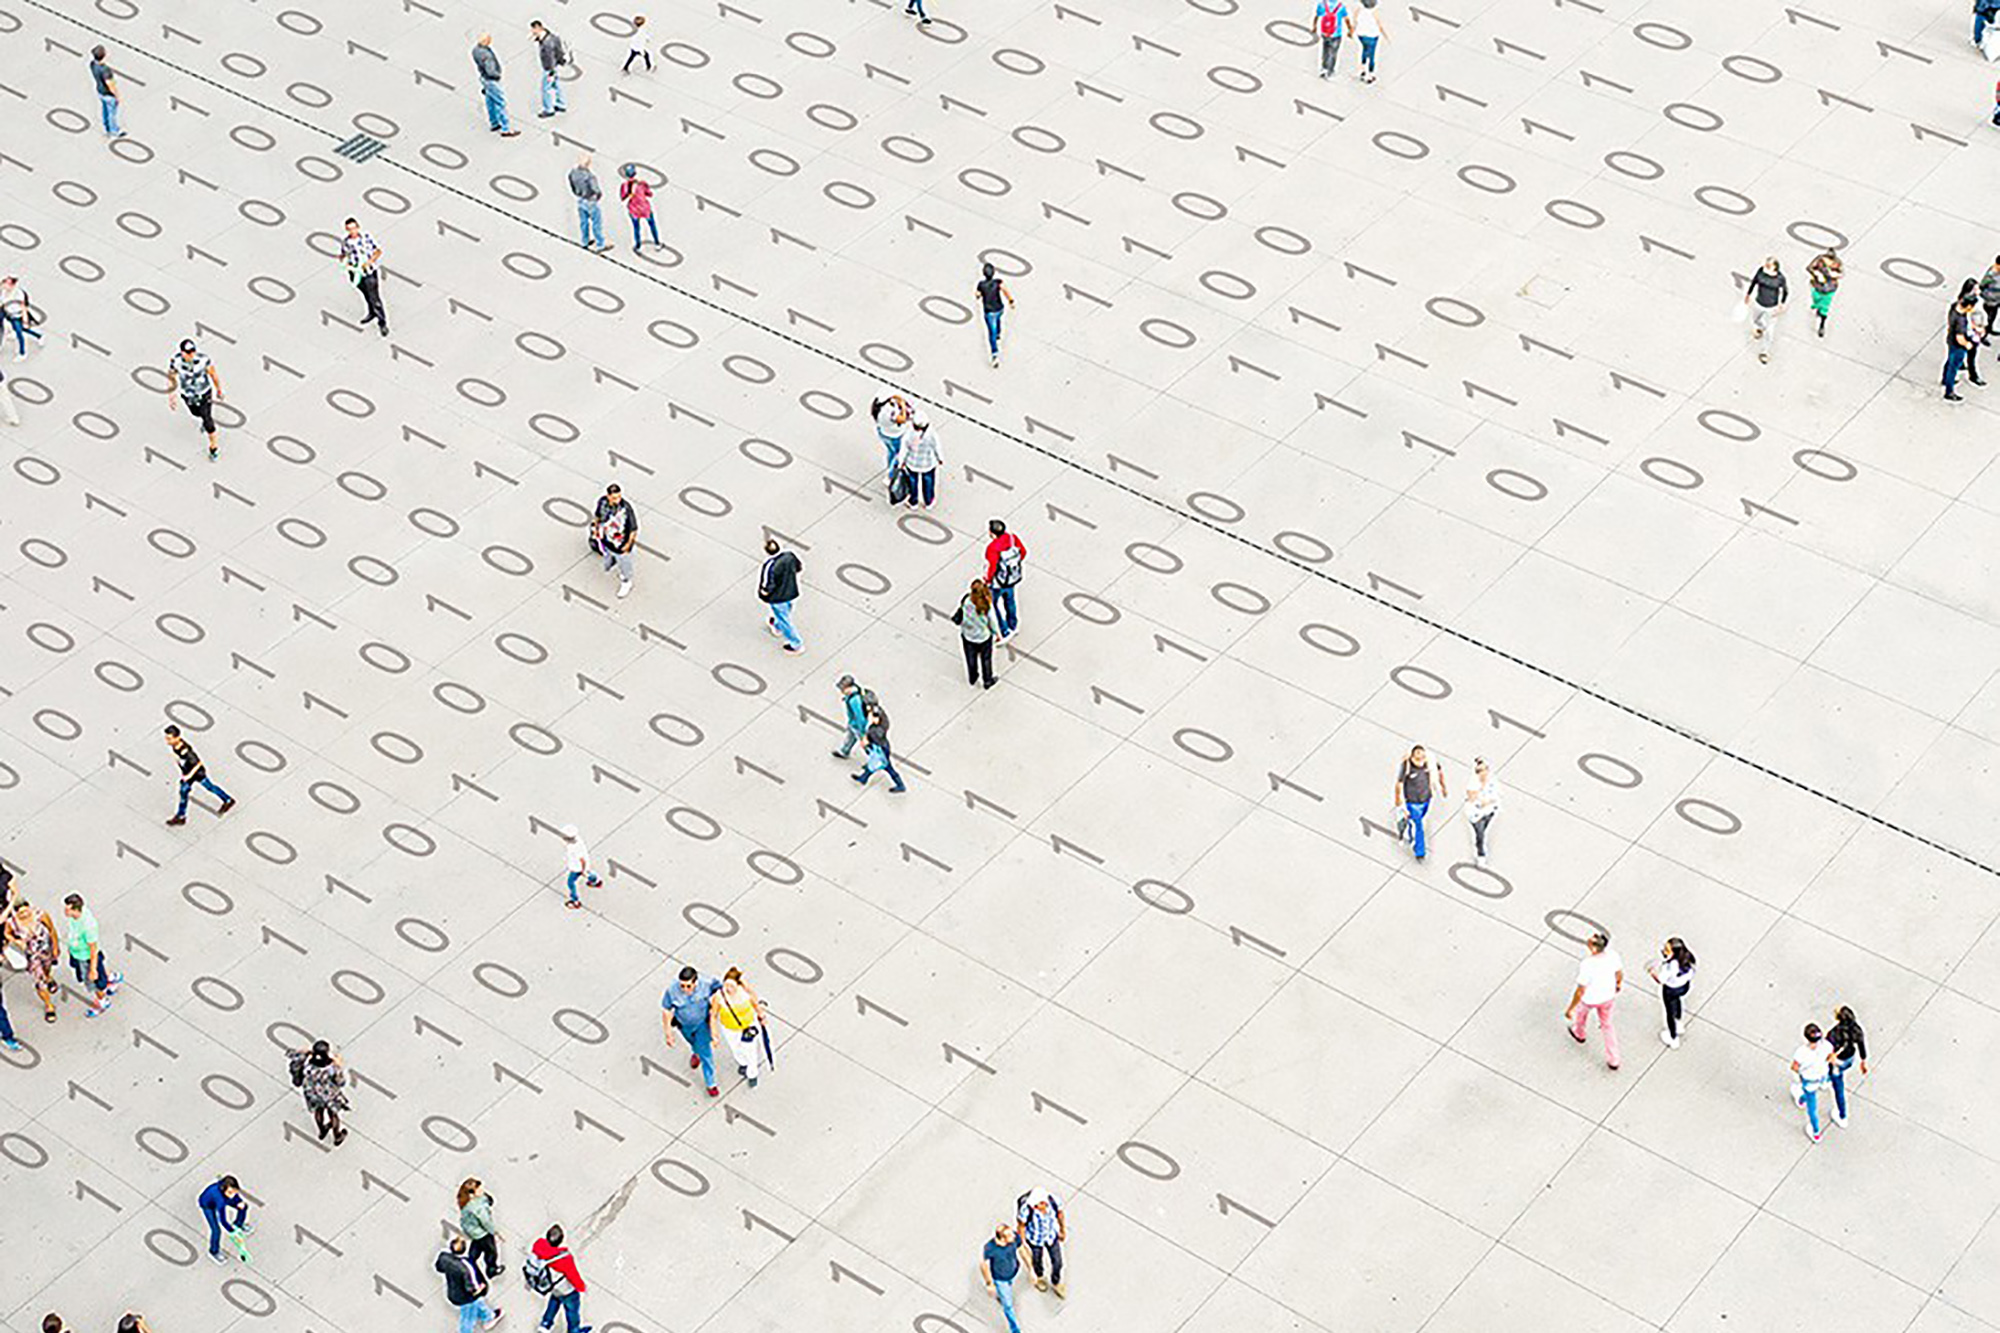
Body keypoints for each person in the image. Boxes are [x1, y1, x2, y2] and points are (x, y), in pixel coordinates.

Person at [1564, 931, 1623, 1070]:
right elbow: (1619, 973)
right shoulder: (1613, 956)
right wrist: (1618, 984)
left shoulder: (1587, 964)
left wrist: (1570, 1008)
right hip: (1608, 997)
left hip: (1590, 999)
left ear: (1594, 947)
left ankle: (1579, 1032)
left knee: (1581, 1014)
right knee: (1607, 1025)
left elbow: (1580, 991)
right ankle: (1614, 1058)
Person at [661, 965, 722, 1097]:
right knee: (692, 1043)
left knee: (706, 1053)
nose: (685, 989)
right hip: (684, 1025)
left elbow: (720, 990)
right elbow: (666, 1010)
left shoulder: (707, 984)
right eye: (682, 986)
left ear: (696, 982)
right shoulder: (672, 991)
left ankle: (711, 1083)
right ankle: (696, 1053)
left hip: (702, 1025)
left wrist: (714, 1010)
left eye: (688, 986)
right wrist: (668, 1034)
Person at [711, 966, 771, 1088]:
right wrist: (714, 1034)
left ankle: (752, 1073)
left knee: (750, 1051)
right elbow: (713, 1015)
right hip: (729, 1028)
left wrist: (761, 1016)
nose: (728, 989)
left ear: (738, 985)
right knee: (735, 1048)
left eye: (732, 986)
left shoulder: (745, 993)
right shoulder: (719, 996)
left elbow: (755, 1005)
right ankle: (742, 1063)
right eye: (726, 985)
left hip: (748, 1027)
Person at [61, 893, 120, 1017]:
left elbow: (93, 949)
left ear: (75, 909)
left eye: (67, 908)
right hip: (77, 954)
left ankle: (102, 1001)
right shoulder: (75, 916)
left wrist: (93, 970)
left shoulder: (88, 926)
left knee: (95, 983)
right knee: (100, 974)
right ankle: (111, 978)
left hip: (86, 958)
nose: (64, 911)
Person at [164, 724, 234, 825]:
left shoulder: (186, 751)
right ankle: (181, 816)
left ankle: (228, 800)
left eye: (169, 739)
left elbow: (198, 764)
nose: (167, 741)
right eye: (166, 738)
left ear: (177, 738)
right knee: (184, 792)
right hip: (187, 773)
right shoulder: (175, 746)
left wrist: (188, 776)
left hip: (197, 773)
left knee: (210, 787)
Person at [166, 339, 224, 461]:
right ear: (182, 352)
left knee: (208, 419)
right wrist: (172, 395)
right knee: (195, 413)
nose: (191, 354)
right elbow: (171, 377)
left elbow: (213, 374)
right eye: (188, 352)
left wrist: (219, 389)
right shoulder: (176, 361)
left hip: (204, 393)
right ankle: (202, 418)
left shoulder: (203, 360)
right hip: (188, 394)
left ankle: (213, 448)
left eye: (193, 351)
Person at [4, 899, 60, 1025]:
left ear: (29, 907)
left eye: (26, 911)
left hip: (46, 950)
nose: (24, 915)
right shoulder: (12, 923)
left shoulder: (40, 915)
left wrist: (55, 947)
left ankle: (49, 977)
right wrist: (16, 941)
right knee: (39, 981)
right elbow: (7, 934)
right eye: (21, 913)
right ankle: (49, 1005)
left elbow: (52, 930)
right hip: (32, 956)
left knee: (47, 968)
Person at [287, 1038, 351, 1144]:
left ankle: (322, 1130)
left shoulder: (307, 1063)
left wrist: (307, 1051)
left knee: (318, 1111)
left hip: (312, 1092)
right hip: (328, 1095)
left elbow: (294, 1056)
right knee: (333, 1115)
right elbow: (341, 1082)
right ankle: (337, 1136)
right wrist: (338, 1065)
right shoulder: (331, 1068)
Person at [527, 1226, 588, 1333]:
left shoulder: (538, 1246)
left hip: (551, 1285)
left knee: (555, 1300)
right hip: (565, 1289)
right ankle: (574, 1330)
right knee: (572, 1310)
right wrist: (581, 1287)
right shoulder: (563, 1258)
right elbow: (573, 1275)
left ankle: (546, 1324)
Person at [438, 1234, 502, 1332]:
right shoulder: (466, 1267)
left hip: (453, 1291)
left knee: (478, 1303)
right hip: (465, 1298)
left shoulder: (444, 1257)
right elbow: (472, 1288)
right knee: (467, 1318)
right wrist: (481, 1288)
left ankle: (489, 1316)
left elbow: (439, 1268)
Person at [1391, 745, 1444, 862]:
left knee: (1418, 821)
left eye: (1423, 756)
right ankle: (1419, 850)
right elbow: (1399, 784)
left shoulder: (1429, 763)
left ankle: (1406, 825)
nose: (1421, 760)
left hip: (1426, 799)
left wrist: (1442, 787)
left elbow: (1439, 771)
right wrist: (1398, 802)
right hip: (1412, 802)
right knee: (1418, 826)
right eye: (1418, 756)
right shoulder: (1407, 767)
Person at [339, 217, 388, 337]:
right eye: (350, 229)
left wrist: (370, 262)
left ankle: (382, 323)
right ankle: (371, 312)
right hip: (356, 272)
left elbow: (378, 251)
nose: (353, 231)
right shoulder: (346, 242)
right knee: (365, 294)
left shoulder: (366, 238)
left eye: (354, 228)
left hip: (369, 271)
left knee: (375, 298)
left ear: (358, 227)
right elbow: (344, 254)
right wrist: (345, 261)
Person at [1644, 937, 1696, 1049]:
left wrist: (1652, 972)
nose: (1664, 951)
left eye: (1667, 949)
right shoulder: (1687, 958)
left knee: (1669, 1013)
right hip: (1684, 986)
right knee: (1678, 1002)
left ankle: (1673, 1037)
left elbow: (1660, 980)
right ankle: (1679, 1023)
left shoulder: (1671, 966)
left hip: (1671, 989)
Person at [1791, 1022, 1836, 1143]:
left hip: (1809, 1079)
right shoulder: (1827, 1045)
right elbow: (1831, 1058)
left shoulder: (1801, 1052)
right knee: (1812, 1093)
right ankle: (1803, 1098)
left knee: (1812, 1107)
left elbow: (1794, 1067)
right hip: (1822, 1075)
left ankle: (1816, 1132)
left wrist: (1800, 1072)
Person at [1016, 1189, 1066, 1299]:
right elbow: (1021, 1225)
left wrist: (1062, 1229)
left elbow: (1060, 1214)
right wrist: (1023, 1242)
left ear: (1044, 1203)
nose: (1033, 1207)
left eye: (1036, 1205)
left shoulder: (1054, 1202)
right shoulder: (1027, 1209)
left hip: (1051, 1236)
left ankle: (1056, 1282)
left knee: (1058, 1262)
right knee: (1037, 1261)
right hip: (1035, 1240)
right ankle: (1040, 1277)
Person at [591, 483, 637, 599]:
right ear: (608, 496)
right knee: (608, 557)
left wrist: (628, 545)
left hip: (620, 544)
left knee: (624, 564)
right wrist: (595, 528)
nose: (617, 500)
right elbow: (597, 516)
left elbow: (633, 529)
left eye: (619, 497)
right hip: (606, 539)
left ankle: (626, 582)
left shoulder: (625, 509)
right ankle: (611, 563)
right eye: (614, 497)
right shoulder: (602, 502)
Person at [980, 1222, 1028, 1333]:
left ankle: (1002, 1296)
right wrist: (990, 1283)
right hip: (1000, 1279)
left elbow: (1022, 1250)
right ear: (1002, 1239)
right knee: (1008, 1306)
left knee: (1008, 1288)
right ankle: (1014, 1329)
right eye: (1010, 1235)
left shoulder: (1014, 1239)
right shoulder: (990, 1248)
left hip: (1013, 1272)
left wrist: (1031, 1269)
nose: (1014, 1236)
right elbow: (984, 1265)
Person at [758, 537, 804, 653]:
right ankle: (777, 625)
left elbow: (767, 584)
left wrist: (764, 593)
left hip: (778, 597)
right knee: (785, 612)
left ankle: (796, 644)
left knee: (785, 619)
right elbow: (798, 568)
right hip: (791, 591)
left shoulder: (770, 565)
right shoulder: (790, 556)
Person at [1826, 1004, 1868, 1128]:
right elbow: (1862, 1046)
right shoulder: (1857, 1030)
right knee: (1837, 1079)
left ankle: (1842, 1114)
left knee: (1838, 1088)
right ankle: (1842, 1115)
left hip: (1837, 1063)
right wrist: (1863, 1062)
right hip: (1849, 1059)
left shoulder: (1834, 1034)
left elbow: (1826, 1051)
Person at [984, 519, 1027, 638]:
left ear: (992, 533)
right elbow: (1023, 552)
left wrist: (987, 580)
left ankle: (1004, 630)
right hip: (1011, 578)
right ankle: (1013, 625)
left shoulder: (992, 548)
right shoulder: (1013, 539)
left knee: (993, 605)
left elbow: (992, 567)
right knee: (1010, 601)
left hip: (998, 582)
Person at [197, 1175, 253, 1265]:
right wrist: (232, 1231)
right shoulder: (220, 1200)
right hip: (208, 1205)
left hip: (223, 1197)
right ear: (224, 1189)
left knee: (243, 1207)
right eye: (231, 1192)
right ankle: (214, 1252)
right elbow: (222, 1220)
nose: (233, 1194)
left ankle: (238, 1224)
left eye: (235, 1191)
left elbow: (235, 1197)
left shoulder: (229, 1191)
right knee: (216, 1230)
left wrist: (239, 1202)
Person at [955, 579, 1000, 690]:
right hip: (984, 637)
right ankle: (987, 681)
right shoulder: (986, 606)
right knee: (986, 659)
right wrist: (997, 633)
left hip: (968, 636)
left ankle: (973, 677)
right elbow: (992, 622)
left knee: (970, 657)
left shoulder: (966, 601)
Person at [852, 702, 907, 793]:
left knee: (887, 768)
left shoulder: (876, 730)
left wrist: (867, 742)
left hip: (880, 751)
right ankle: (863, 778)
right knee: (873, 766)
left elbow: (873, 740)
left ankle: (900, 785)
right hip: (880, 748)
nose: (870, 718)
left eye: (872, 717)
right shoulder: (883, 723)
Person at [471, 35, 521, 136]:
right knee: (500, 103)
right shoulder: (487, 55)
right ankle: (505, 129)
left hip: (483, 78)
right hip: (491, 80)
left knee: (490, 101)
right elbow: (491, 71)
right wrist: (498, 75)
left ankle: (494, 123)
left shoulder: (475, 50)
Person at [458, 1178, 503, 1280]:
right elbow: (486, 1222)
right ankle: (491, 1270)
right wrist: (495, 1233)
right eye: (480, 1189)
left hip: (472, 1230)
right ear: (473, 1193)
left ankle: (470, 1261)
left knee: (477, 1245)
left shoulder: (465, 1200)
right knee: (491, 1251)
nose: (482, 1190)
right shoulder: (479, 1208)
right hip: (481, 1233)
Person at [1744, 256, 1787, 364]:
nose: (1765, 267)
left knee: (1770, 330)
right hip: (1759, 303)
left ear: (1774, 268)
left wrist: (1781, 304)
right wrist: (1748, 294)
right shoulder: (1761, 272)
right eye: (1765, 265)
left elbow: (1785, 291)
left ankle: (1765, 352)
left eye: (1768, 266)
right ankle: (1760, 328)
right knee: (1755, 320)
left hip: (1771, 307)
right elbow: (1754, 281)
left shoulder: (1780, 278)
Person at [975, 262, 1015, 367]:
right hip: (999, 308)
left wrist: (980, 294)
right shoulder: (998, 282)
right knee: (998, 320)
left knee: (990, 332)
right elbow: (1005, 291)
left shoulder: (981, 285)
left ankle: (994, 354)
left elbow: (977, 295)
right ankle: (998, 333)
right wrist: (1011, 301)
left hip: (989, 311)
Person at [900, 413, 942, 508]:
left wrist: (901, 461)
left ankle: (913, 502)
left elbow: (904, 449)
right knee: (928, 482)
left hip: (912, 463)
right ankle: (928, 501)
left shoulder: (909, 434)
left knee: (912, 482)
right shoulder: (931, 434)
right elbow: (936, 447)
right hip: (928, 463)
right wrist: (940, 458)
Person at [1462, 756, 1499, 864]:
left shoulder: (1492, 781)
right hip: (1476, 813)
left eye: (1485, 769)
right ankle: (1481, 853)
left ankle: (1480, 843)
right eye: (1479, 771)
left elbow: (1496, 795)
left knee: (1484, 830)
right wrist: (1480, 792)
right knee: (1480, 833)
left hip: (1489, 810)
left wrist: (1489, 801)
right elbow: (1472, 798)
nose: (1483, 773)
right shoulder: (1472, 784)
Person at [568, 154, 608, 252]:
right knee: (596, 223)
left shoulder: (573, 173)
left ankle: (584, 241)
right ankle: (600, 244)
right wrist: (597, 197)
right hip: (590, 200)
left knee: (583, 222)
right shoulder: (590, 177)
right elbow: (596, 190)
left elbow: (572, 185)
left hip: (580, 199)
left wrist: (577, 193)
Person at [559, 824, 602, 910]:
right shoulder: (578, 839)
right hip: (581, 866)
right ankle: (596, 881)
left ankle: (575, 901)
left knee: (570, 883)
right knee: (588, 874)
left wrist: (583, 870)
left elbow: (582, 860)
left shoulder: (572, 847)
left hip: (577, 868)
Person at [618, 165, 659, 252]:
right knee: (652, 225)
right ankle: (657, 243)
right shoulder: (642, 184)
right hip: (645, 208)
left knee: (636, 228)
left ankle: (638, 246)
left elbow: (622, 197)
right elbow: (650, 194)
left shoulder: (625, 185)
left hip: (634, 210)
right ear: (635, 173)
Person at [1945, 291, 1978, 401]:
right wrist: (1968, 344)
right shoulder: (1960, 321)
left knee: (1949, 360)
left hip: (1950, 340)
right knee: (1953, 368)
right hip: (1958, 346)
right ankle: (1949, 391)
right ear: (1968, 306)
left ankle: (1945, 379)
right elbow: (1960, 338)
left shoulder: (1954, 307)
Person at [531, 21, 568, 116]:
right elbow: (559, 51)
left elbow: (549, 58)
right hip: (554, 66)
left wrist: (550, 72)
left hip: (549, 69)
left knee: (545, 88)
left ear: (539, 28)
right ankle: (561, 104)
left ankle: (548, 109)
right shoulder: (553, 37)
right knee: (556, 85)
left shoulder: (546, 44)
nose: (532, 32)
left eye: (533, 29)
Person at [1, 276, 43, 357]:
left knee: (19, 332)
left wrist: (25, 321)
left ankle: (22, 353)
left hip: (16, 316)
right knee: (19, 329)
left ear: (12, 285)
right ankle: (38, 336)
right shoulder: (4, 291)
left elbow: (24, 309)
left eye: (7, 283)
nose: (5, 285)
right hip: (8, 314)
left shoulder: (18, 294)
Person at [1958, 277, 1988, 387]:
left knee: (1969, 352)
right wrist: (1976, 328)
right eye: (1976, 289)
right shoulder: (1967, 302)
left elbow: (1982, 313)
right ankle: (1973, 375)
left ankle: (1962, 365)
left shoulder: (1978, 299)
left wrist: (1983, 326)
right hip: (1970, 332)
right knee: (1971, 354)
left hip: (1978, 329)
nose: (1978, 290)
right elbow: (1966, 318)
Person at [872, 390, 910, 474]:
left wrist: (897, 398)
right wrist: (903, 406)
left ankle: (889, 467)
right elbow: (902, 419)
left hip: (883, 433)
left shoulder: (877, 408)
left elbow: (895, 397)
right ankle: (891, 474)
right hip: (893, 436)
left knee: (891, 452)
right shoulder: (888, 411)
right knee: (897, 455)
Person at [1806, 249, 1841, 338]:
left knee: (1825, 308)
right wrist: (1816, 273)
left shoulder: (1837, 263)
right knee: (1816, 299)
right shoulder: (1820, 260)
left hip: (1829, 288)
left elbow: (1841, 273)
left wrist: (1834, 275)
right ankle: (1817, 306)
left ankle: (1822, 325)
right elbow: (1809, 267)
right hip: (1818, 286)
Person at [832, 675, 869, 758]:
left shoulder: (854, 701)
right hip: (853, 723)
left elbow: (860, 717)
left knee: (866, 744)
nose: (841, 691)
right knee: (850, 736)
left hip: (857, 725)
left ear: (849, 687)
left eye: (843, 689)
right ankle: (844, 751)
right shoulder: (854, 692)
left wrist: (862, 732)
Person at [89, 46, 123, 137]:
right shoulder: (105, 70)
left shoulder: (92, 64)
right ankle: (113, 130)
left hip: (100, 91)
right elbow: (110, 85)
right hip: (108, 94)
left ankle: (106, 125)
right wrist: (117, 96)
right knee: (112, 112)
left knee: (105, 109)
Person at [1313, 0, 1348, 77]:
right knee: (1333, 52)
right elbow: (1346, 19)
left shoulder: (1322, 5)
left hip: (1325, 33)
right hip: (1336, 34)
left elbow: (1317, 16)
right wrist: (1350, 29)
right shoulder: (1340, 6)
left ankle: (1324, 68)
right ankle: (1330, 70)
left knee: (1325, 51)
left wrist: (1314, 26)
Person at [1352, 0, 1385, 82]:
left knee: (1364, 50)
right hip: (1372, 36)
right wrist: (1385, 35)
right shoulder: (1375, 13)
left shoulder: (1358, 11)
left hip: (1361, 35)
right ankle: (1370, 74)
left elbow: (1355, 22)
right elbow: (1380, 26)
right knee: (1371, 55)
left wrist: (1352, 32)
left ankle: (1362, 69)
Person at [1981, 256, 2000, 346]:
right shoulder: (1990, 275)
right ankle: (1983, 336)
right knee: (1989, 319)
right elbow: (1982, 286)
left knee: (1993, 317)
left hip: (1997, 300)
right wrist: (1989, 298)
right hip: (1991, 302)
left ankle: (1990, 328)